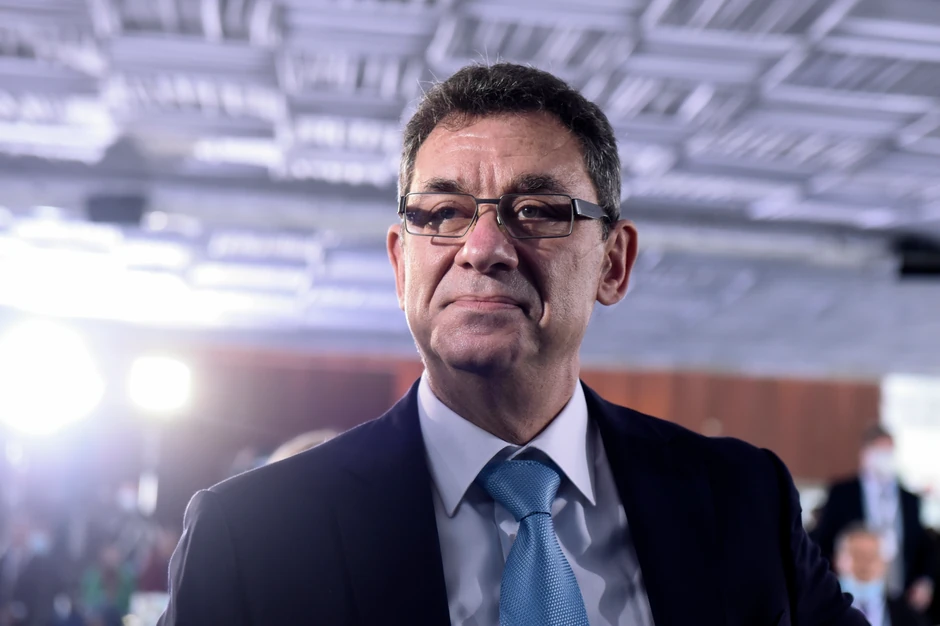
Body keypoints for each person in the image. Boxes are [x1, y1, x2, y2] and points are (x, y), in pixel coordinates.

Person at [158, 63, 867, 625]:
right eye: (443, 212)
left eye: (535, 210)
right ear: (401, 265)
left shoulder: (742, 501)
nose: (483, 247)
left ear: (614, 264)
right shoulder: (253, 533)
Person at [813, 425, 935, 614]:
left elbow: (921, 544)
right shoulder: (842, 493)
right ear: (865, 454)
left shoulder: (910, 500)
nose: (885, 458)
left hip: (900, 596)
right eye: (879, 451)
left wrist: (924, 581)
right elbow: (823, 540)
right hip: (852, 595)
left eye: (889, 452)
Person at [834, 524, 928, 626]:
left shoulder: (908, 614)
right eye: (856, 554)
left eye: (872, 555)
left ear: (885, 564)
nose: (865, 563)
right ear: (837, 560)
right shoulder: (824, 608)